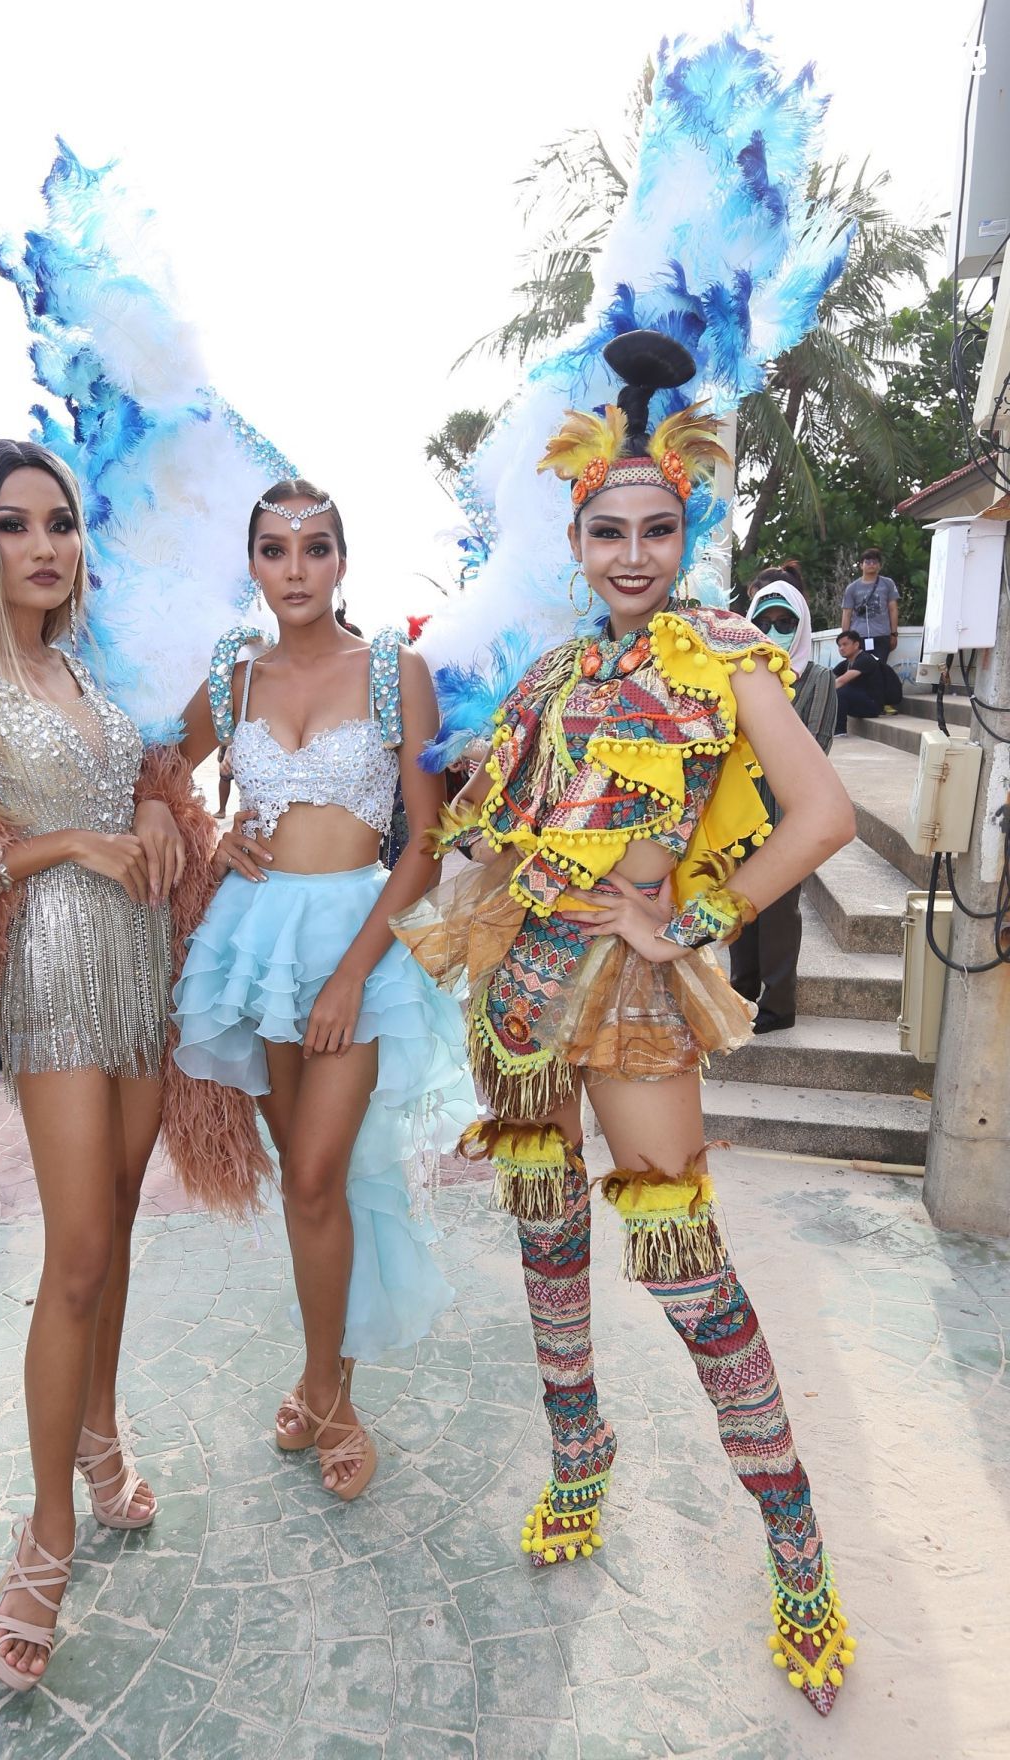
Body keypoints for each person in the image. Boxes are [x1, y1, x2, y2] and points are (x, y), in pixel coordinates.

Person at [394, 333, 859, 1715]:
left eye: (658, 529)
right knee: (546, 1243)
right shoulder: (548, 674)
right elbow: (490, 824)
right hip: (521, 996)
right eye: (610, 531)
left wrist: (693, 917)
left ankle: (794, 1543)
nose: (634, 553)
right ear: (577, 539)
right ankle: (577, 1458)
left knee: (688, 1272)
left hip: (639, 997)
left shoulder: (723, 653)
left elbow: (823, 814)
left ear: (688, 530)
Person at [0, 438, 261, 1695]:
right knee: (78, 1248)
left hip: (142, 960)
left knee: (120, 1216)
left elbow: (157, 760)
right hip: (50, 971)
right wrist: (61, 847)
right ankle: (45, 1530)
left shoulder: (93, 660)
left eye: (60, 521)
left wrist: (146, 807)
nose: (45, 545)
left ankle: (98, 1430)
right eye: (15, 523)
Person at [173, 478, 478, 1501]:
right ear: (253, 563)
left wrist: (353, 972)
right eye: (274, 549)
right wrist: (209, 835)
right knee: (308, 1182)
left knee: (314, 1176)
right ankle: (325, 1377)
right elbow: (154, 778)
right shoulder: (234, 676)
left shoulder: (393, 670)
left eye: (314, 548)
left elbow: (426, 841)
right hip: (259, 944)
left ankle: (327, 1394)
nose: (294, 569)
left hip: (362, 943)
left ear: (342, 560)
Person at [730, 570, 837, 1032]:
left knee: (777, 912)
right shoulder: (742, 674)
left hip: (787, 818)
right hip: (738, 813)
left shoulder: (817, 678)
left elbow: (815, 745)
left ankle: (777, 1005)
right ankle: (739, 993)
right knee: (738, 907)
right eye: (765, 622)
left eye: (785, 622)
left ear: (801, 625)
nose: (773, 631)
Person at [840, 548, 898, 659]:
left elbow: (893, 609)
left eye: (875, 562)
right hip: (858, 637)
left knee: (879, 666)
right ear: (861, 565)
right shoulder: (852, 588)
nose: (871, 565)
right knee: (860, 667)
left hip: (882, 635)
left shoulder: (888, 584)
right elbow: (846, 614)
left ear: (880, 565)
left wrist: (894, 634)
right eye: (867, 562)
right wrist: (845, 639)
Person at [832, 629, 886, 734]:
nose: (841, 648)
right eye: (839, 646)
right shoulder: (846, 663)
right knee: (838, 692)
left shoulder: (865, 659)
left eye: (845, 644)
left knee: (841, 692)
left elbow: (841, 681)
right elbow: (828, 678)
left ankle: (839, 731)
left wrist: (822, 691)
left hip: (872, 705)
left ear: (856, 645)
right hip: (858, 703)